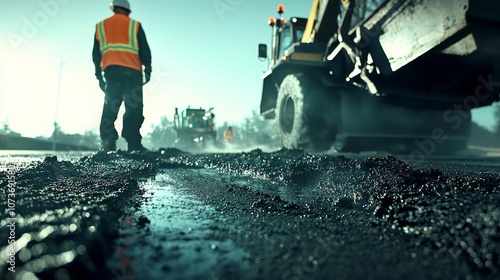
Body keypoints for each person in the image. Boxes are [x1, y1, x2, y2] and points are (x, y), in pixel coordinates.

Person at [92, 0, 152, 152]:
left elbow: (96, 54)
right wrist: (148, 70)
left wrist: (99, 76)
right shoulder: (135, 25)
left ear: (113, 8)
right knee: (134, 106)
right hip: (133, 71)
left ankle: (108, 142)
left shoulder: (101, 26)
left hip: (111, 72)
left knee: (110, 105)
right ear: (128, 11)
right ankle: (134, 144)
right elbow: (145, 50)